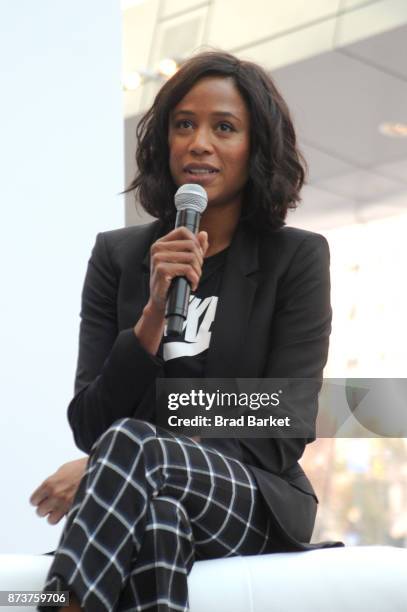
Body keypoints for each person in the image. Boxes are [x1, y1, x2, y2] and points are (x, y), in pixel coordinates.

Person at [35, 50, 343, 611]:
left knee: (131, 445)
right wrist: (152, 315)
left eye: (223, 127)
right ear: (165, 143)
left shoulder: (296, 258)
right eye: (184, 125)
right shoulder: (118, 256)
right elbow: (90, 422)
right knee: (158, 524)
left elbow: (284, 419)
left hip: (255, 497)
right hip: (157, 494)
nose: (199, 142)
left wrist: (125, 457)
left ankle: (57, 603)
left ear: (257, 148)